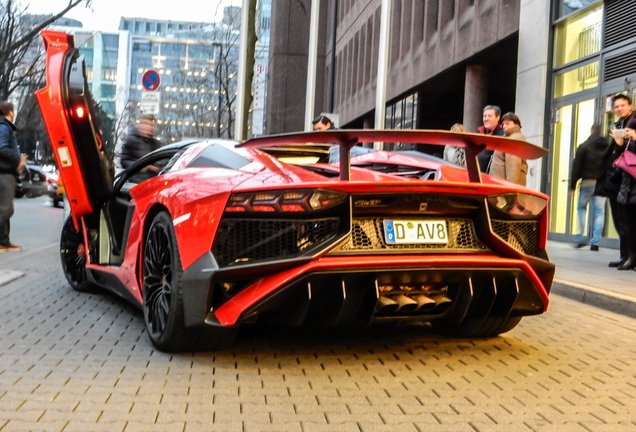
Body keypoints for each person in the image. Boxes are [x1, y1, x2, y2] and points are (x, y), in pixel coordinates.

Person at [595, 94, 634, 268]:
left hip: (631, 180)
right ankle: (624, 255)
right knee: (621, 221)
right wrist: (618, 144)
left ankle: (631, 258)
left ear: (630, 105)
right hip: (618, 180)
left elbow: (631, 153)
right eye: (616, 106)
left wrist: (632, 138)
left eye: (622, 105)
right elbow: (619, 154)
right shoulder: (618, 125)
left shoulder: (634, 123)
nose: (619, 109)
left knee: (630, 222)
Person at [570, 123, 609, 251]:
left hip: (587, 182)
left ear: (591, 131)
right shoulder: (607, 146)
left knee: (581, 208)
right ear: (601, 131)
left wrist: (573, 186)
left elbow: (576, 167)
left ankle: (580, 236)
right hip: (601, 184)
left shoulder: (584, 146)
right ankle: (595, 242)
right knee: (599, 212)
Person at [0, 101, 27, 252]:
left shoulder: (4, 126)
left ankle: (4, 242)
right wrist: (18, 160)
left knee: (4, 209)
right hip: (4, 173)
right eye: (13, 111)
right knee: (6, 210)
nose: (14, 114)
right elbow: (1, 148)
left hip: (6, 172)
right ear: (9, 112)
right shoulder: (4, 127)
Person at [612, 117, 636, 271]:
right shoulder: (629, 143)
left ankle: (631, 258)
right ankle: (630, 257)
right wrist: (620, 144)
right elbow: (618, 160)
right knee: (629, 226)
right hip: (628, 188)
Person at [488, 112, 528, 186]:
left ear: (516, 124)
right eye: (503, 124)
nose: (504, 126)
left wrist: (510, 188)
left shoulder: (515, 138)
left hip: (503, 187)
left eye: (507, 123)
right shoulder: (510, 137)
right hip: (500, 185)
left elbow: (513, 166)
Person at [477, 105, 504, 172]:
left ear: (497, 117)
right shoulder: (479, 134)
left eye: (489, 116)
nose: (486, 119)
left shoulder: (502, 135)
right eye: (485, 116)